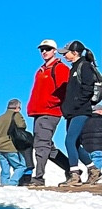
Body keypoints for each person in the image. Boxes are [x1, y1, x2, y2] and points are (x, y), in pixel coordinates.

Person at [26, 39, 70, 184]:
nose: (44, 52)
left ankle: (38, 178)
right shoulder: (41, 70)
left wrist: (51, 103)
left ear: (54, 51)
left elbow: (64, 89)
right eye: (42, 49)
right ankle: (72, 169)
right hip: (39, 112)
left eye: (48, 49)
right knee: (48, 147)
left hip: (50, 112)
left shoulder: (60, 68)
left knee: (41, 145)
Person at [60, 41, 99, 183]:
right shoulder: (74, 68)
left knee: (69, 140)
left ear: (75, 52)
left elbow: (88, 89)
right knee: (74, 143)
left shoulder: (85, 66)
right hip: (72, 112)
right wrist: (67, 108)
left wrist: (75, 104)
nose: (64, 55)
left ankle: (74, 174)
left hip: (81, 110)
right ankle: (94, 169)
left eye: (66, 52)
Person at [0, 99, 33, 186]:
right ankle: (12, 183)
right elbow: (22, 126)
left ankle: (4, 184)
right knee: (21, 166)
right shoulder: (16, 115)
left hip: (0, 147)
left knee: (5, 169)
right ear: (17, 107)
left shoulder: (0, 118)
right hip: (11, 146)